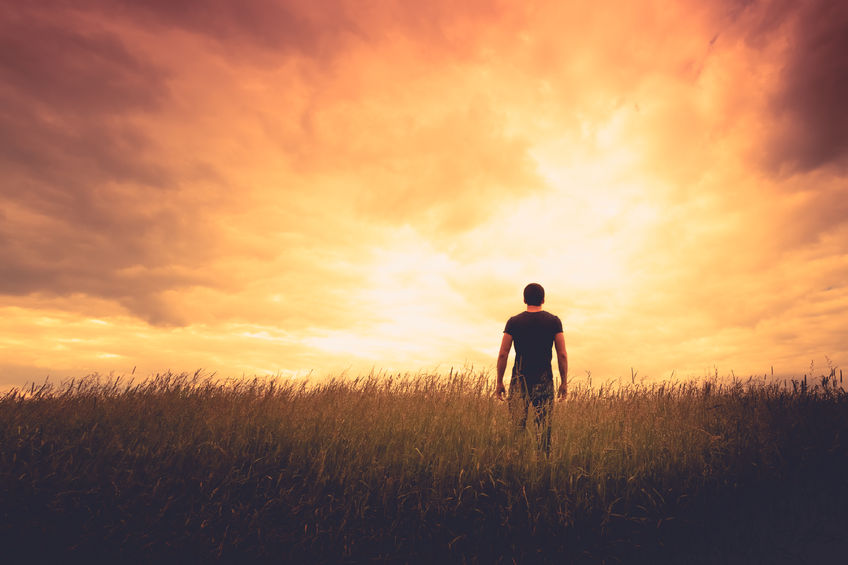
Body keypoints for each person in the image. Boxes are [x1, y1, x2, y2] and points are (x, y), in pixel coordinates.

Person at [496, 283, 568, 454]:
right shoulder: (554, 321)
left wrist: (499, 382)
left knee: (516, 429)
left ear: (524, 299)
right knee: (543, 431)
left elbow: (503, 354)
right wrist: (564, 383)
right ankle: (542, 466)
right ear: (543, 299)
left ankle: (515, 464)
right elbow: (562, 354)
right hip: (544, 382)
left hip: (518, 382)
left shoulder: (513, 322)